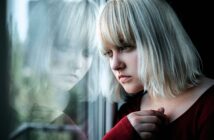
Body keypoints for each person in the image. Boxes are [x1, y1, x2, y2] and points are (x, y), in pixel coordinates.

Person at [97, 0, 214, 139]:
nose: (115, 65)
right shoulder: (128, 115)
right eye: (109, 53)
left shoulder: (209, 105)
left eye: (125, 47)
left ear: (159, 40)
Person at [10, 0, 98, 139]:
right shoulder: (13, 114)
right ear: (40, 44)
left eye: (87, 52)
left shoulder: (83, 123)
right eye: (64, 46)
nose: (77, 64)